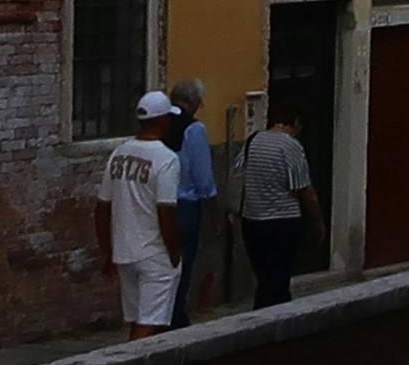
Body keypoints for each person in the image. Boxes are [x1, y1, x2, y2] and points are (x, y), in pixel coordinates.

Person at [100, 93, 185, 333]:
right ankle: (126, 359)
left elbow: (103, 206)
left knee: (137, 319)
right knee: (150, 324)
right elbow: (166, 210)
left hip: (124, 250)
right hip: (154, 252)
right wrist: (174, 253)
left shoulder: (119, 153)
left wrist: (106, 250)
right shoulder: (167, 159)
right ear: (163, 120)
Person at [232, 103, 322, 305]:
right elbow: (306, 191)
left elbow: (238, 173)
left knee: (265, 277)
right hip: (282, 222)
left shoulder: (253, 141)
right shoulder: (291, 146)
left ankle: (263, 312)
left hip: (252, 221)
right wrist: (318, 221)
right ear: (296, 122)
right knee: (279, 279)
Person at [163, 75, 222, 317]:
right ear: (194, 101)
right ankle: (176, 316)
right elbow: (204, 179)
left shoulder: (157, 124)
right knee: (182, 266)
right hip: (185, 205)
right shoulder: (194, 129)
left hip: (156, 203)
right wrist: (215, 217)